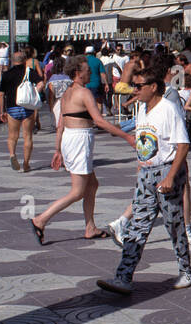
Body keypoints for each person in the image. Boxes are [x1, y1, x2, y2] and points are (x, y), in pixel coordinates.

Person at [97, 58, 191, 295]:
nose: (135, 90)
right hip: (147, 173)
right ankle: (123, 277)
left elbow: (183, 145)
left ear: (153, 87)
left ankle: (186, 270)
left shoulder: (168, 108)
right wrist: (140, 165)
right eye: (135, 85)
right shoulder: (142, 108)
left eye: (139, 86)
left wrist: (171, 176)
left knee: (173, 225)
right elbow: (143, 141)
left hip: (167, 170)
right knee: (138, 225)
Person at [30, 58, 137, 243]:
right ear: (78, 73)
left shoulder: (67, 93)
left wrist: (58, 149)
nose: (91, 73)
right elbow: (100, 121)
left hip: (70, 139)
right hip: (79, 140)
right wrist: (127, 136)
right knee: (77, 191)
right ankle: (40, 220)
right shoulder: (84, 92)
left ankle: (90, 227)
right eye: (88, 70)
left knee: (92, 185)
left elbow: (60, 124)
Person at [0, 45, 45, 172]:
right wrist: (36, 92)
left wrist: (2, 111)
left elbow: (1, 94)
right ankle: (26, 164)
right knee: (28, 136)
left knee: (12, 136)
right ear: (25, 60)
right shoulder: (29, 72)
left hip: (12, 108)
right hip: (27, 108)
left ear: (12, 61)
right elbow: (41, 82)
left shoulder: (7, 74)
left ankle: (12, 155)